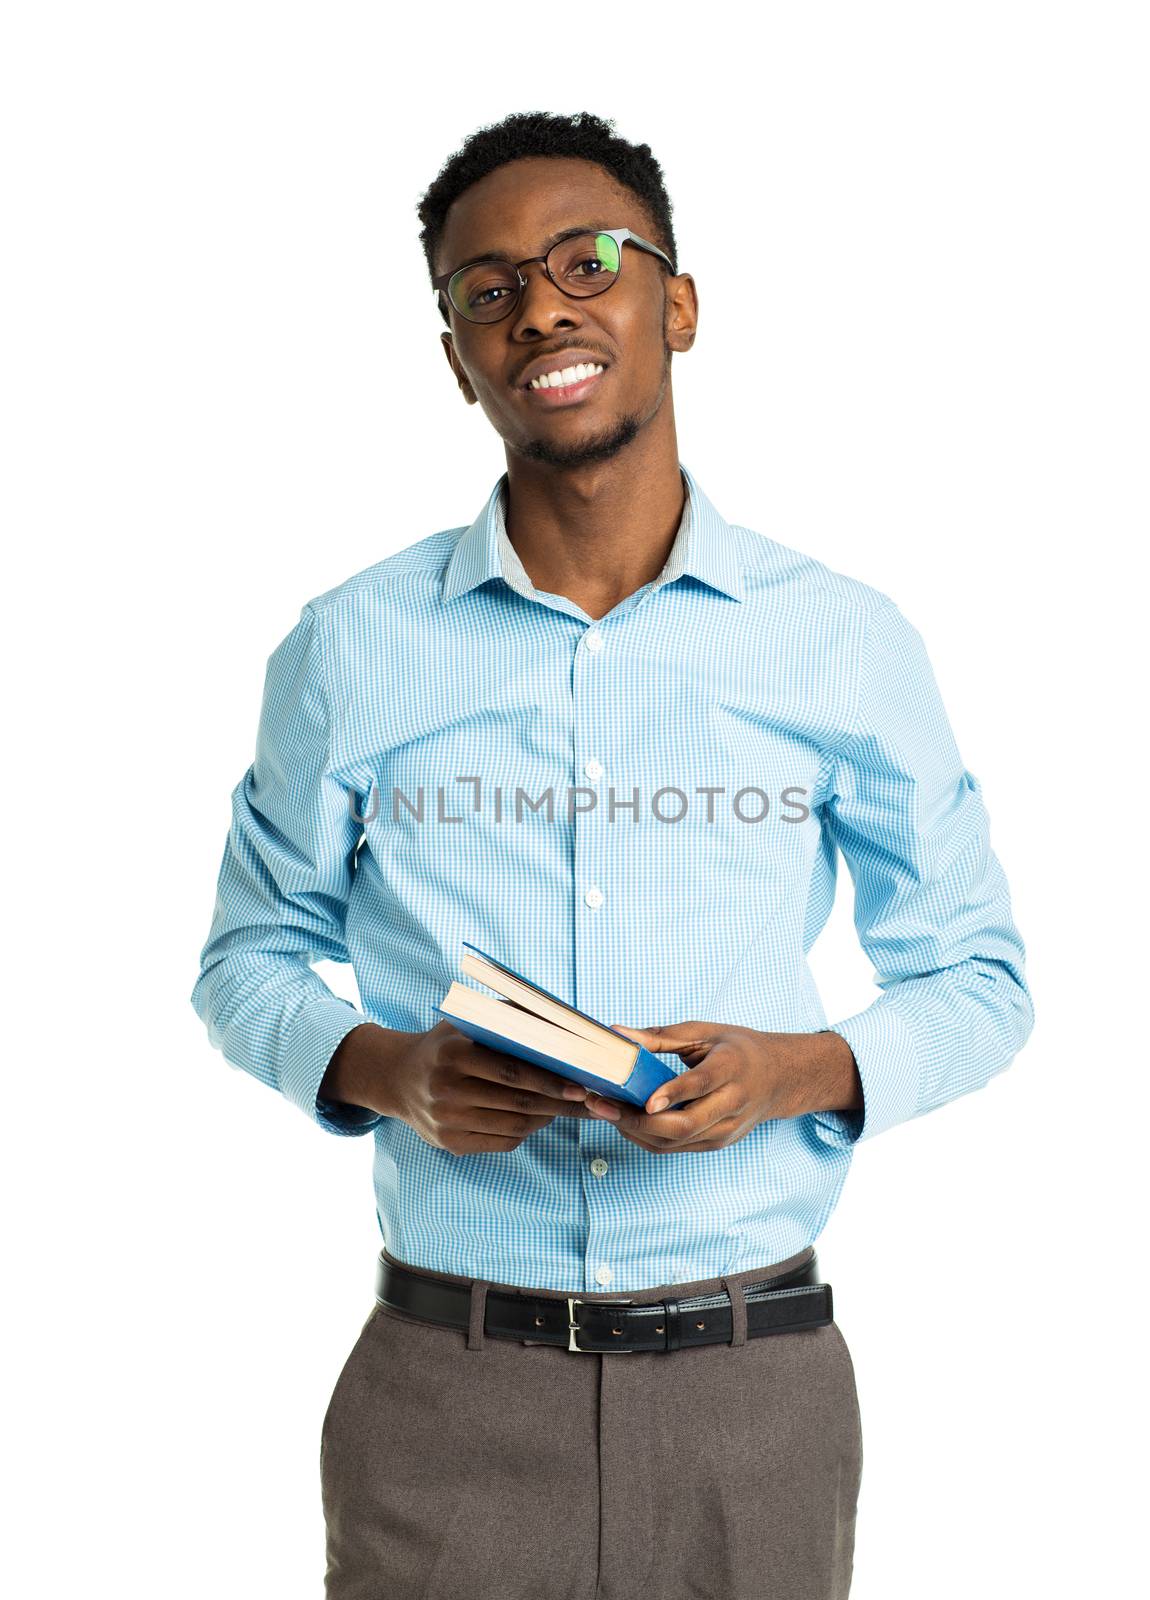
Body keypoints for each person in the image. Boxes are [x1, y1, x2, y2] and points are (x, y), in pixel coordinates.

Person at [190, 109, 1034, 1600]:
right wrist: (390, 1072)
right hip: (445, 1392)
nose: (542, 310)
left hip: (747, 1389)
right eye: (488, 289)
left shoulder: (838, 641)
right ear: (456, 356)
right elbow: (249, 958)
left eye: (588, 262)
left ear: (678, 305)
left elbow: (974, 979)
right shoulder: (348, 648)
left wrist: (789, 1072)